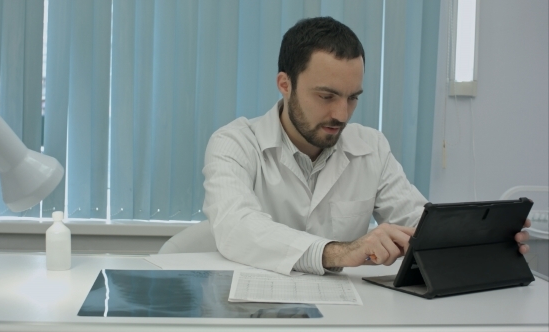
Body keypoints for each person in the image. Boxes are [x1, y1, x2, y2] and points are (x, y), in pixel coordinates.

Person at [202, 17, 531, 276]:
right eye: (327, 96)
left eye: (352, 98)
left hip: (345, 313)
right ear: (285, 84)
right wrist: (341, 252)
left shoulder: (371, 146)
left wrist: (479, 240)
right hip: (255, 311)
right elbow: (237, 227)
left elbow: (417, 223)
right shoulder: (234, 143)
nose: (341, 114)